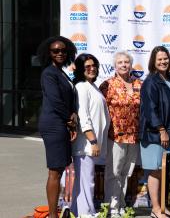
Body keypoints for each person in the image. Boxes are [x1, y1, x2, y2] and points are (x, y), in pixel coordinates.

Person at [37, 36, 77, 218]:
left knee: (59, 169)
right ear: (49, 53)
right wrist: (69, 119)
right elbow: (55, 100)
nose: (60, 53)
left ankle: (55, 213)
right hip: (53, 124)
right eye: (55, 51)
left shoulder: (61, 72)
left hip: (61, 124)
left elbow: (68, 99)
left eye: (63, 50)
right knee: (55, 170)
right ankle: (53, 215)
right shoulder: (49, 73)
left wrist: (73, 113)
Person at [140, 46, 170, 218]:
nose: (163, 62)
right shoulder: (151, 81)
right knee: (155, 171)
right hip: (155, 135)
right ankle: (155, 209)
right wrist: (161, 130)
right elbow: (150, 109)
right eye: (159, 59)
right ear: (153, 62)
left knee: (163, 171)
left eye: (165, 58)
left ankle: (162, 208)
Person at [99, 51, 142, 217]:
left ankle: (121, 204)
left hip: (134, 136)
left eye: (126, 62)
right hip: (115, 135)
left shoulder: (139, 84)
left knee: (127, 172)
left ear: (131, 65)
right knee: (114, 172)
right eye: (120, 63)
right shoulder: (107, 85)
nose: (124, 65)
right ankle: (112, 207)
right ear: (115, 66)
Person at [71, 53, 110, 217]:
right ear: (80, 69)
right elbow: (83, 117)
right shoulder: (81, 87)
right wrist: (93, 141)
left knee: (84, 182)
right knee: (87, 182)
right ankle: (86, 214)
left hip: (91, 144)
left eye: (94, 65)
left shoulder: (91, 86)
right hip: (86, 145)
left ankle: (76, 212)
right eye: (87, 66)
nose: (92, 68)